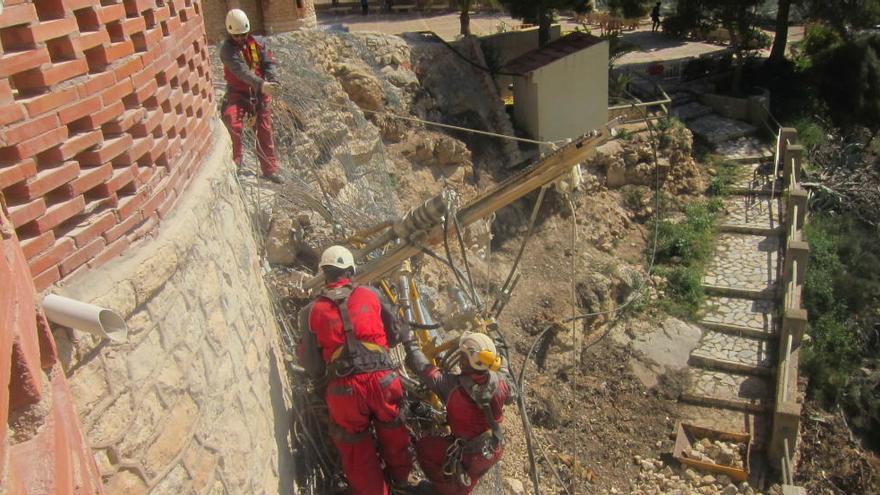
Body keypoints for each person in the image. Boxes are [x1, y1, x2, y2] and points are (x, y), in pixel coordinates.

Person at [299, 246, 415, 495]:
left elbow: (312, 365)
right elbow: (395, 333)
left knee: (355, 450)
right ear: (351, 270)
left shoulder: (309, 312)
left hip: (343, 390)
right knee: (394, 431)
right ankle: (401, 481)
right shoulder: (370, 294)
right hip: (383, 380)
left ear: (324, 274)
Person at [403, 331, 515, 495]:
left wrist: (410, 345)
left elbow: (424, 369)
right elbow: (511, 387)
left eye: (462, 355)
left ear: (467, 361)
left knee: (424, 448)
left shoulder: (452, 386)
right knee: (471, 475)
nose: (460, 359)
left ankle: (443, 491)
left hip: (470, 454)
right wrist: (503, 359)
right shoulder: (502, 382)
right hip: (493, 448)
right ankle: (463, 487)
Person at [219, 9, 284, 184]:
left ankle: (270, 170)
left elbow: (268, 63)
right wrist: (263, 85)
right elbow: (241, 71)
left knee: (264, 130)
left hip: (258, 95)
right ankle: (236, 162)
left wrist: (273, 80)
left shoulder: (257, 44)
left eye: (243, 35)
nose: (240, 39)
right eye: (236, 36)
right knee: (233, 123)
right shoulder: (227, 50)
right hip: (238, 94)